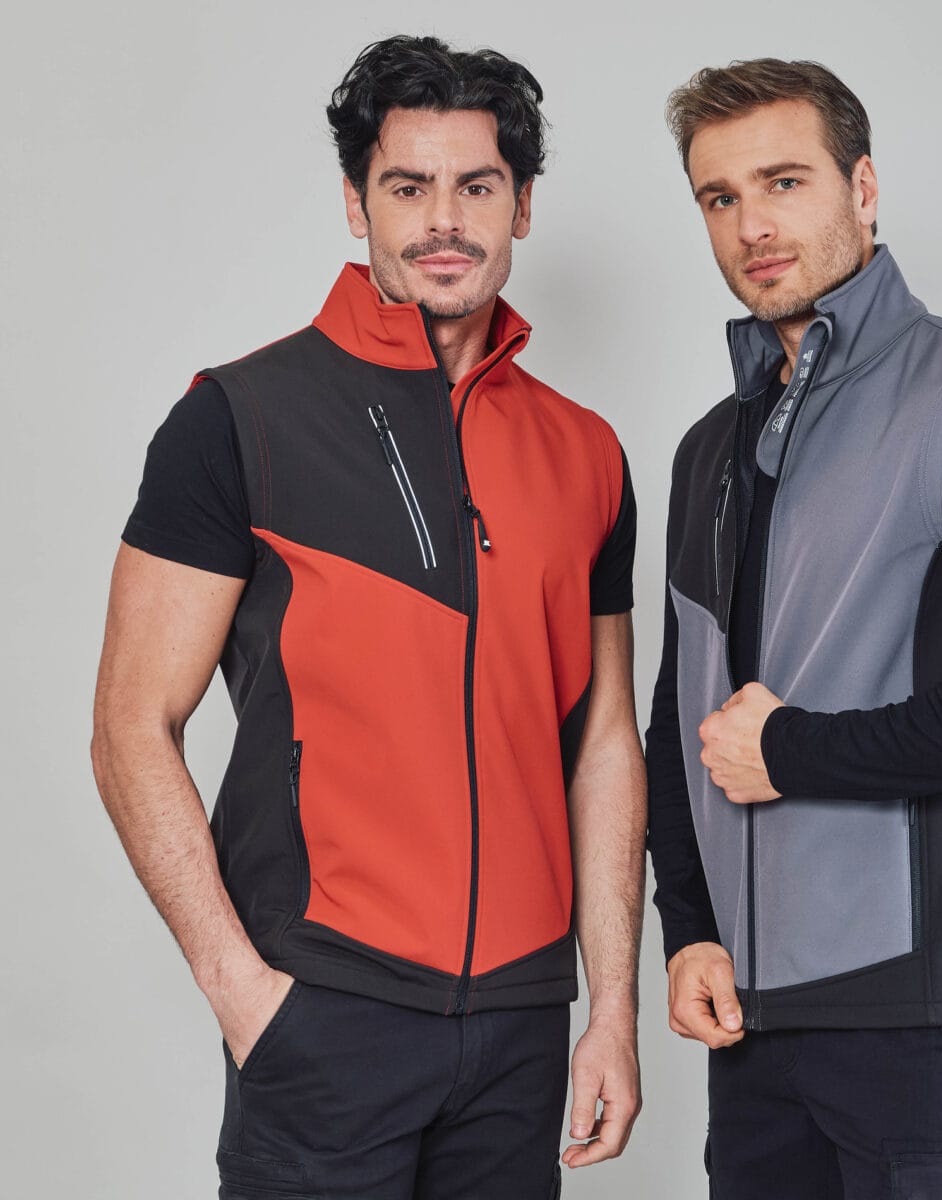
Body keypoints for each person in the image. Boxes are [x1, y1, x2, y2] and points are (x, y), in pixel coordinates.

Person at [91, 34, 644, 1199]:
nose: (443, 219)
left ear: (522, 205)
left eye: (477, 186)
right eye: (407, 186)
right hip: (325, 1013)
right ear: (357, 203)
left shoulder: (587, 454)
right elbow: (130, 727)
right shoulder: (238, 419)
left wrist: (611, 1010)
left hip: (521, 1026)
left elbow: (603, 740)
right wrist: (242, 993)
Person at [645, 58, 942, 1199]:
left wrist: (796, 751)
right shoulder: (708, 450)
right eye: (719, 197)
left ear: (861, 188)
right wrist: (689, 927)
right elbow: (680, 717)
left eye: (785, 182)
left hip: (923, 1028)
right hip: (751, 1031)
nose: (753, 226)